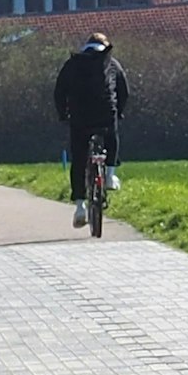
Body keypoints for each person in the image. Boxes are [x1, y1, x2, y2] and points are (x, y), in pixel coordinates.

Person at [53, 32, 130, 228]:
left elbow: (59, 91)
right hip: (105, 114)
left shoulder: (73, 64)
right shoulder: (111, 64)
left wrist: (63, 115)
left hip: (80, 118)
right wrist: (118, 112)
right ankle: (111, 175)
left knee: (79, 159)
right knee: (111, 137)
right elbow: (124, 91)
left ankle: (80, 206)